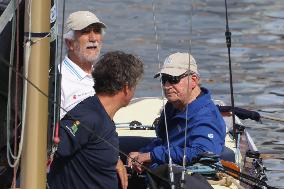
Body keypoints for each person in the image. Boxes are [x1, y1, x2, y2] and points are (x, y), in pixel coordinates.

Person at [48, 51, 144, 189]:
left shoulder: (99, 113)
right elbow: (53, 149)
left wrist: (115, 160)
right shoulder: (89, 117)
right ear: (126, 88)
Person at [128, 52, 226, 173]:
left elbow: (203, 152)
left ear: (194, 80)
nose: (166, 86)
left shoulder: (206, 116)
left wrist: (152, 155)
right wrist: (143, 153)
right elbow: (165, 141)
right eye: (164, 80)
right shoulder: (173, 106)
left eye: (173, 79)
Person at [59, 11, 106, 119]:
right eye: (85, 32)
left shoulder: (104, 76)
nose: (93, 38)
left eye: (97, 31)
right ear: (69, 43)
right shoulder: (59, 81)